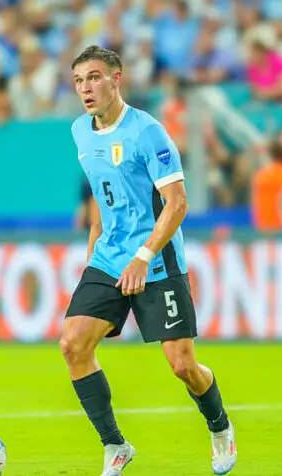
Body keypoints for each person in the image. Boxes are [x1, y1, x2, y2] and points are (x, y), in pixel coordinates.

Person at [61, 45, 237, 476]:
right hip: (108, 256)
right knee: (73, 344)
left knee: (182, 365)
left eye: (95, 77)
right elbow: (103, 200)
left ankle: (219, 426)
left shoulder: (148, 132)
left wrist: (142, 257)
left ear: (117, 79)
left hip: (156, 259)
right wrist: (92, 259)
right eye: (80, 79)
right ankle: (115, 445)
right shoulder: (80, 132)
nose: (86, 87)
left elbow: (176, 204)